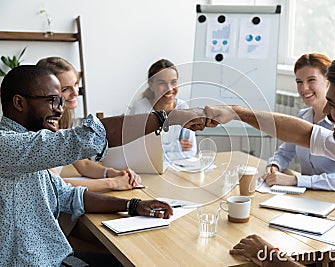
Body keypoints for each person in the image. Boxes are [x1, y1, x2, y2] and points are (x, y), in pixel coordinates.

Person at [204, 52, 335, 266]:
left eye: (333, 105)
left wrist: (269, 255)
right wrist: (236, 112)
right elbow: (305, 134)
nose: (326, 111)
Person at [0, 65, 205, 266]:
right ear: (19, 103)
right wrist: (169, 117)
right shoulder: (6, 145)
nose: (60, 109)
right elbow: (86, 138)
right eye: (53, 101)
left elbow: (69, 195)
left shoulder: (28, 151)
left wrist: (133, 205)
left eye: (61, 101)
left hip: (56, 258)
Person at [37, 56, 140, 192]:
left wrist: (113, 173)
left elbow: (84, 164)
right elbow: (54, 185)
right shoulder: (39, 132)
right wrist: (112, 183)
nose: (75, 93)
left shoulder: (63, 121)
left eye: (75, 84)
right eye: (65, 89)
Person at [263, 53, 335, 191]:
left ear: (328, 81)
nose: (304, 88)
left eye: (311, 80)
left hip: (332, 200)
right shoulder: (303, 116)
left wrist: (295, 180)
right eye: (299, 82)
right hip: (305, 197)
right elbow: (285, 152)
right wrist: (273, 166)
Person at [128, 59, 197, 161]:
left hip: (177, 171)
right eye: (162, 83)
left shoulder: (183, 107)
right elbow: (135, 151)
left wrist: (156, 151)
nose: (169, 89)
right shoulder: (140, 109)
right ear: (151, 85)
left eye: (173, 82)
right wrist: (175, 147)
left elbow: (190, 150)